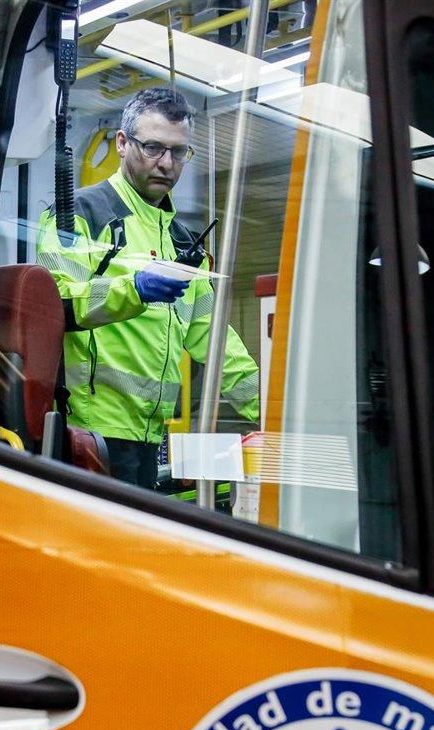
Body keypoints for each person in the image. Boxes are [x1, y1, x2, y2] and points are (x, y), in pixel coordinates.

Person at [37, 88, 260, 489]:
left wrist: (271, 410)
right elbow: (56, 305)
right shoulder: (80, 214)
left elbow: (213, 337)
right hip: (90, 432)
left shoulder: (183, 242)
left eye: (179, 152)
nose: (167, 164)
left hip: (151, 434)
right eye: (153, 148)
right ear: (122, 143)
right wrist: (134, 289)